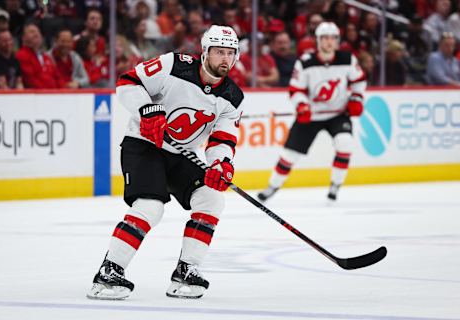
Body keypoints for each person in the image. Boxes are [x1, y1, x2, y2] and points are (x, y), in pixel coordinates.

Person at [87, 25, 244, 300]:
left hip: (182, 152)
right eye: (219, 51)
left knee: (212, 197)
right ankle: (108, 272)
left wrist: (221, 165)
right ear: (205, 52)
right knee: (150, 207)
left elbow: (221, 140)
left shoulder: (232, 97)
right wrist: (147, 110)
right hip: (144, 144)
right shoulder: (174, 65)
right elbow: (127, 82)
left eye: (230, 53)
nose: (225, 59)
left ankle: (187, 271)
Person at [258, 22, 366, 202]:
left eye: (333, 38)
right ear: (318, 40)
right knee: (290, 154)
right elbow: (295, 89)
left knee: (345, 142)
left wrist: (356, 98)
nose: (329, 42)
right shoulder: (306, 62)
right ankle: (273, 186)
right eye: (325, 38)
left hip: (338, 113)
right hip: (312, 115)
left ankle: (335, 185)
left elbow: (359, 81)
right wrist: (301, 105)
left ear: (337, 41)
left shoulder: (348, 59)